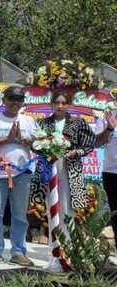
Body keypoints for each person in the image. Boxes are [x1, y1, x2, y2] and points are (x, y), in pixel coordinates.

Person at [0, 86, 36, 267]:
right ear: (4, 100)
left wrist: (24, 140)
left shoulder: (29, 121)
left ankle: (18, 252)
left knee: (20, 216)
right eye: (12, 98)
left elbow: (38, 144)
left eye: (19, 99)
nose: (15, 102)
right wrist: (7, 139)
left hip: (22, 173)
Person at [38, 90, 95, 220]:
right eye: (57, 102)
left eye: (63, 103)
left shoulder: (78, 123)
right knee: (49, 202)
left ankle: (67, 233)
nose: (60, 106)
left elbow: (88, 145)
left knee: (67, 204)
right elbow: (35, 145)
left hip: (70, 167)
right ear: (51, 104)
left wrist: (76, 152)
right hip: (48, 167)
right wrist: (44, 149)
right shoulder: (42, 123)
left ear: (68, 105)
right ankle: (52, 233)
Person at [95, 105, 117, 251]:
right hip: (111, 173)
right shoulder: (107, 117)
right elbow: (96, 142)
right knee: (116, 215)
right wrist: (109, 128)